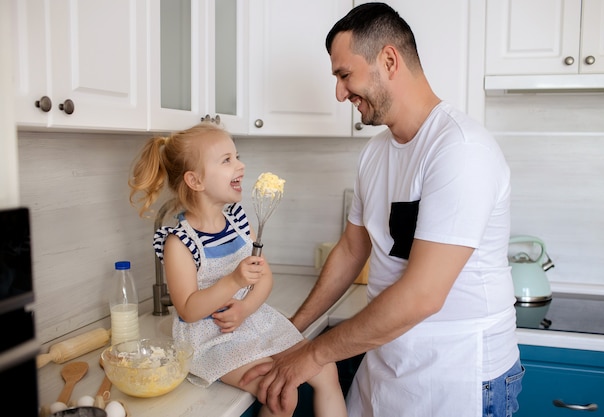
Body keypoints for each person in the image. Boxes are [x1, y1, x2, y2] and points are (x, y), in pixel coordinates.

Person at [241, 3, 523, 417]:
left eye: (344, 75)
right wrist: (291, 332)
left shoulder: (461, 150)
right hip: (388, 368)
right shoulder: (376, 154)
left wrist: (313, 354)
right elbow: (352, 250)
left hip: (459, 379)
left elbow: (422, 296)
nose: (339, 93)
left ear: (389, 60)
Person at [128, 122, 347, 417]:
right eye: (227, 160)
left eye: (237, 156)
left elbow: (264, 278)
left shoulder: (239, 222)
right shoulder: (178, 242)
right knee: (280, 393)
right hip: (210, 339)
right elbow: (189, 310)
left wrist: (244, 309)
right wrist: (234, 280)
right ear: (195, 181)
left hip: (253, 321)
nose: (240, 166)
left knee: (326, 368)